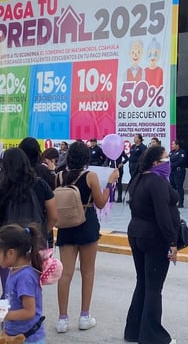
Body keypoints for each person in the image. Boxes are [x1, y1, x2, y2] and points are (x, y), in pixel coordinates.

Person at [54, 141, 118, 333]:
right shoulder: (90, 176)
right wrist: (109, 185)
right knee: (88, 272)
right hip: (87, 224)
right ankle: (84, 316)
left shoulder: (58, 177)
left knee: (65, 274)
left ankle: (62, 319)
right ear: (86, 158)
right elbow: (100, 203)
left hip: (65, 225)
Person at [123, 145, 179, 344]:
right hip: (154, 238)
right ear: (156, 163)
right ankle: (153, 336)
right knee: (154, 287)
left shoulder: (138, 178)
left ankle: (133, 330)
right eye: (166, 159)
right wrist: (172, 242)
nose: (168, 162)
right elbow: (163, 215)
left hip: (136, 233)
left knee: (143, 282)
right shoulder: (157, 183)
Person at [0, 148, 57, 293]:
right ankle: (33, 312)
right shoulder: (41, 185)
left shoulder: (0, 189)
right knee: (33, 286)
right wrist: (39, 233)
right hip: (34, 242)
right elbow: (53, 216)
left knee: (8, 288)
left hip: (7, 243)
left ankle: (10, 310)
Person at [0, 224, 46, 344]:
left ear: (11, 253)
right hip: (14, 335)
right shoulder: (14, 271)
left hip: (28, 339)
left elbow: (29, 312)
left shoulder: (25, 277)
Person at [169, 140, 187, 208]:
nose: (172, 146)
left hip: (179, 171)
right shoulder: (171, 152)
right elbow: (168, 159)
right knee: (172, 187)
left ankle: (181, 203)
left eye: (173, 144)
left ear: (177, 145)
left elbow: (180, 161)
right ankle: (173, 201)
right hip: (172, 171)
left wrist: (171, 165)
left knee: (179, 187)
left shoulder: (182, 152)